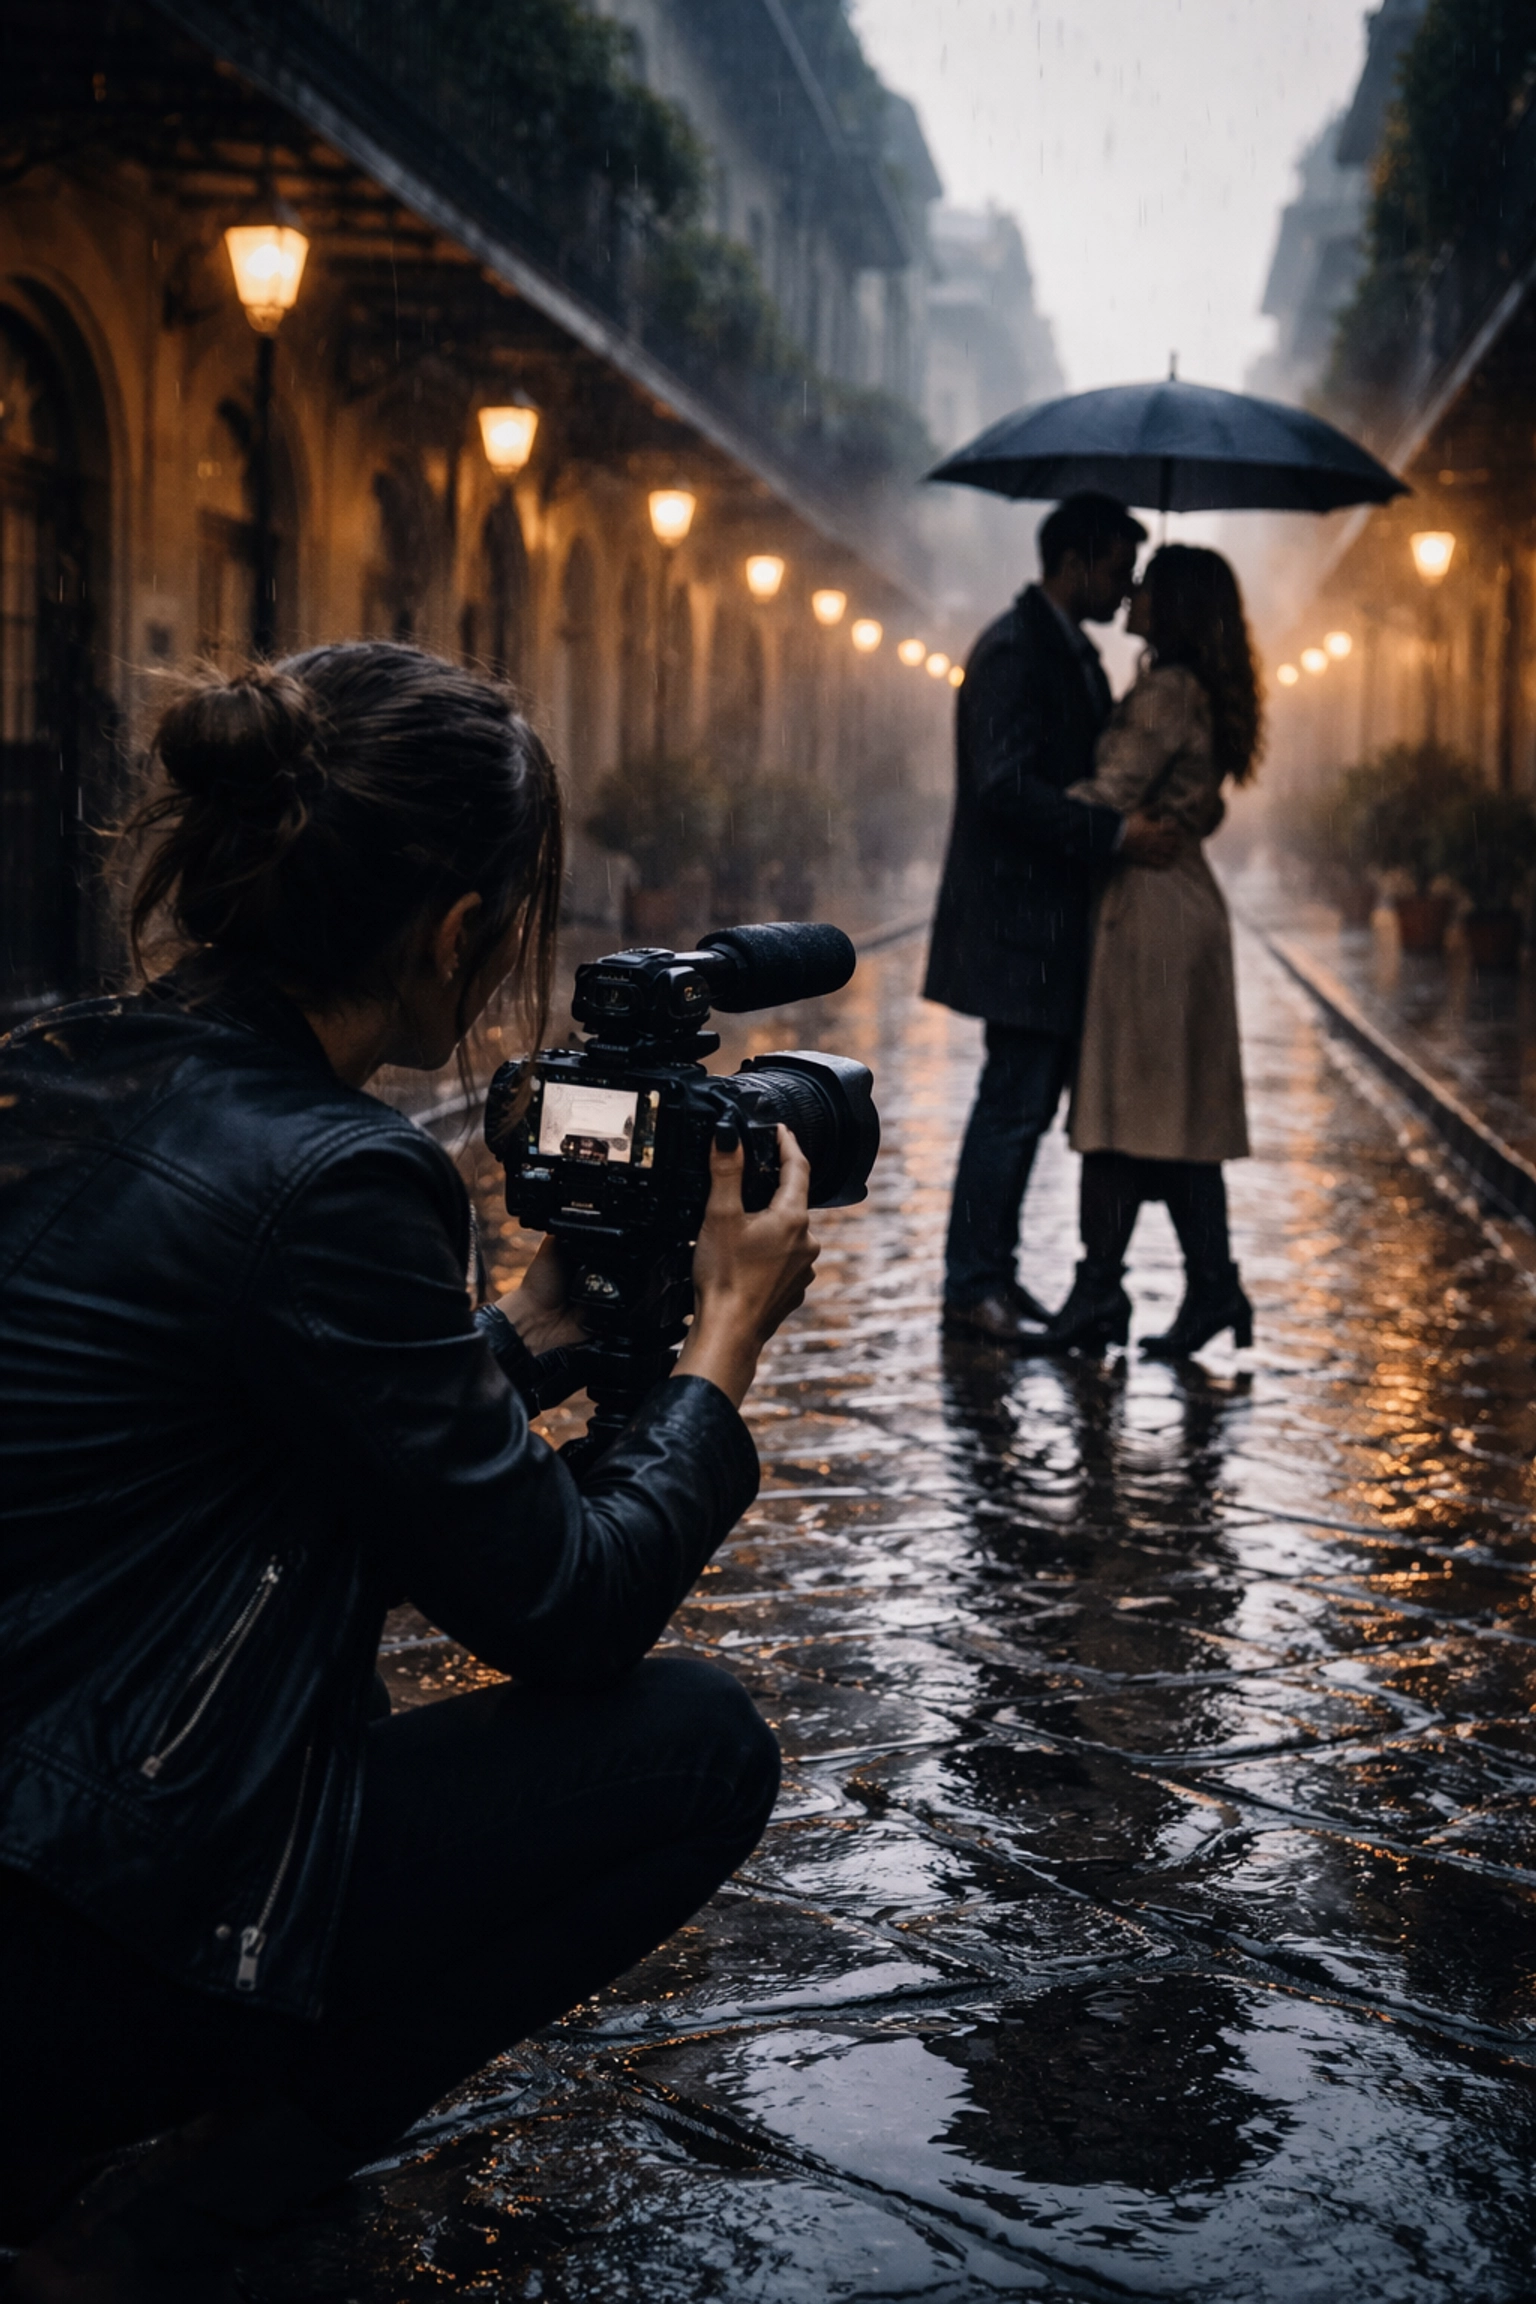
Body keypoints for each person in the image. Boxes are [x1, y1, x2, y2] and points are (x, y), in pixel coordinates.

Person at [0, 644, 818, 2302]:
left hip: (25, 1845)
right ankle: (190, 2205)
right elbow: (567, 1612)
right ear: (453, 933)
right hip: (79, 1935)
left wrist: (511, 1334)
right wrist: (726, 1342)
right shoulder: (340, 1173)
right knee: (695, 1749)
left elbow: (219, 1429)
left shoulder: (53, 1057)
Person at [924, 492, 1178, 1345]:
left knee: (1022, 1110)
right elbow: (1003, 786)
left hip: (1049, 931)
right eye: (1117, 567)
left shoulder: (1069, 654)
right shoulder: (1012, 649)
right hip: (1018, 928)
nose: (1124, 586)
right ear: (1074, 561)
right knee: (1011, 1106)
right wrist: (1110, 832)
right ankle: (971, 1286)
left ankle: (989, 1274)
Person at [1026, 543, 1262, 1359]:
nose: (1131, 590)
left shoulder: (1166, 692)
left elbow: (1109, 794)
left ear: (1176, 605)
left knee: (1130, 1113)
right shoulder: (1188, 689)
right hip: (1170, 907)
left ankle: (1110, 1291)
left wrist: (1028, 809)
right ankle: (1202, 1288)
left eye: (1148, 584)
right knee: (1163, 1115)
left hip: (1153, 913)